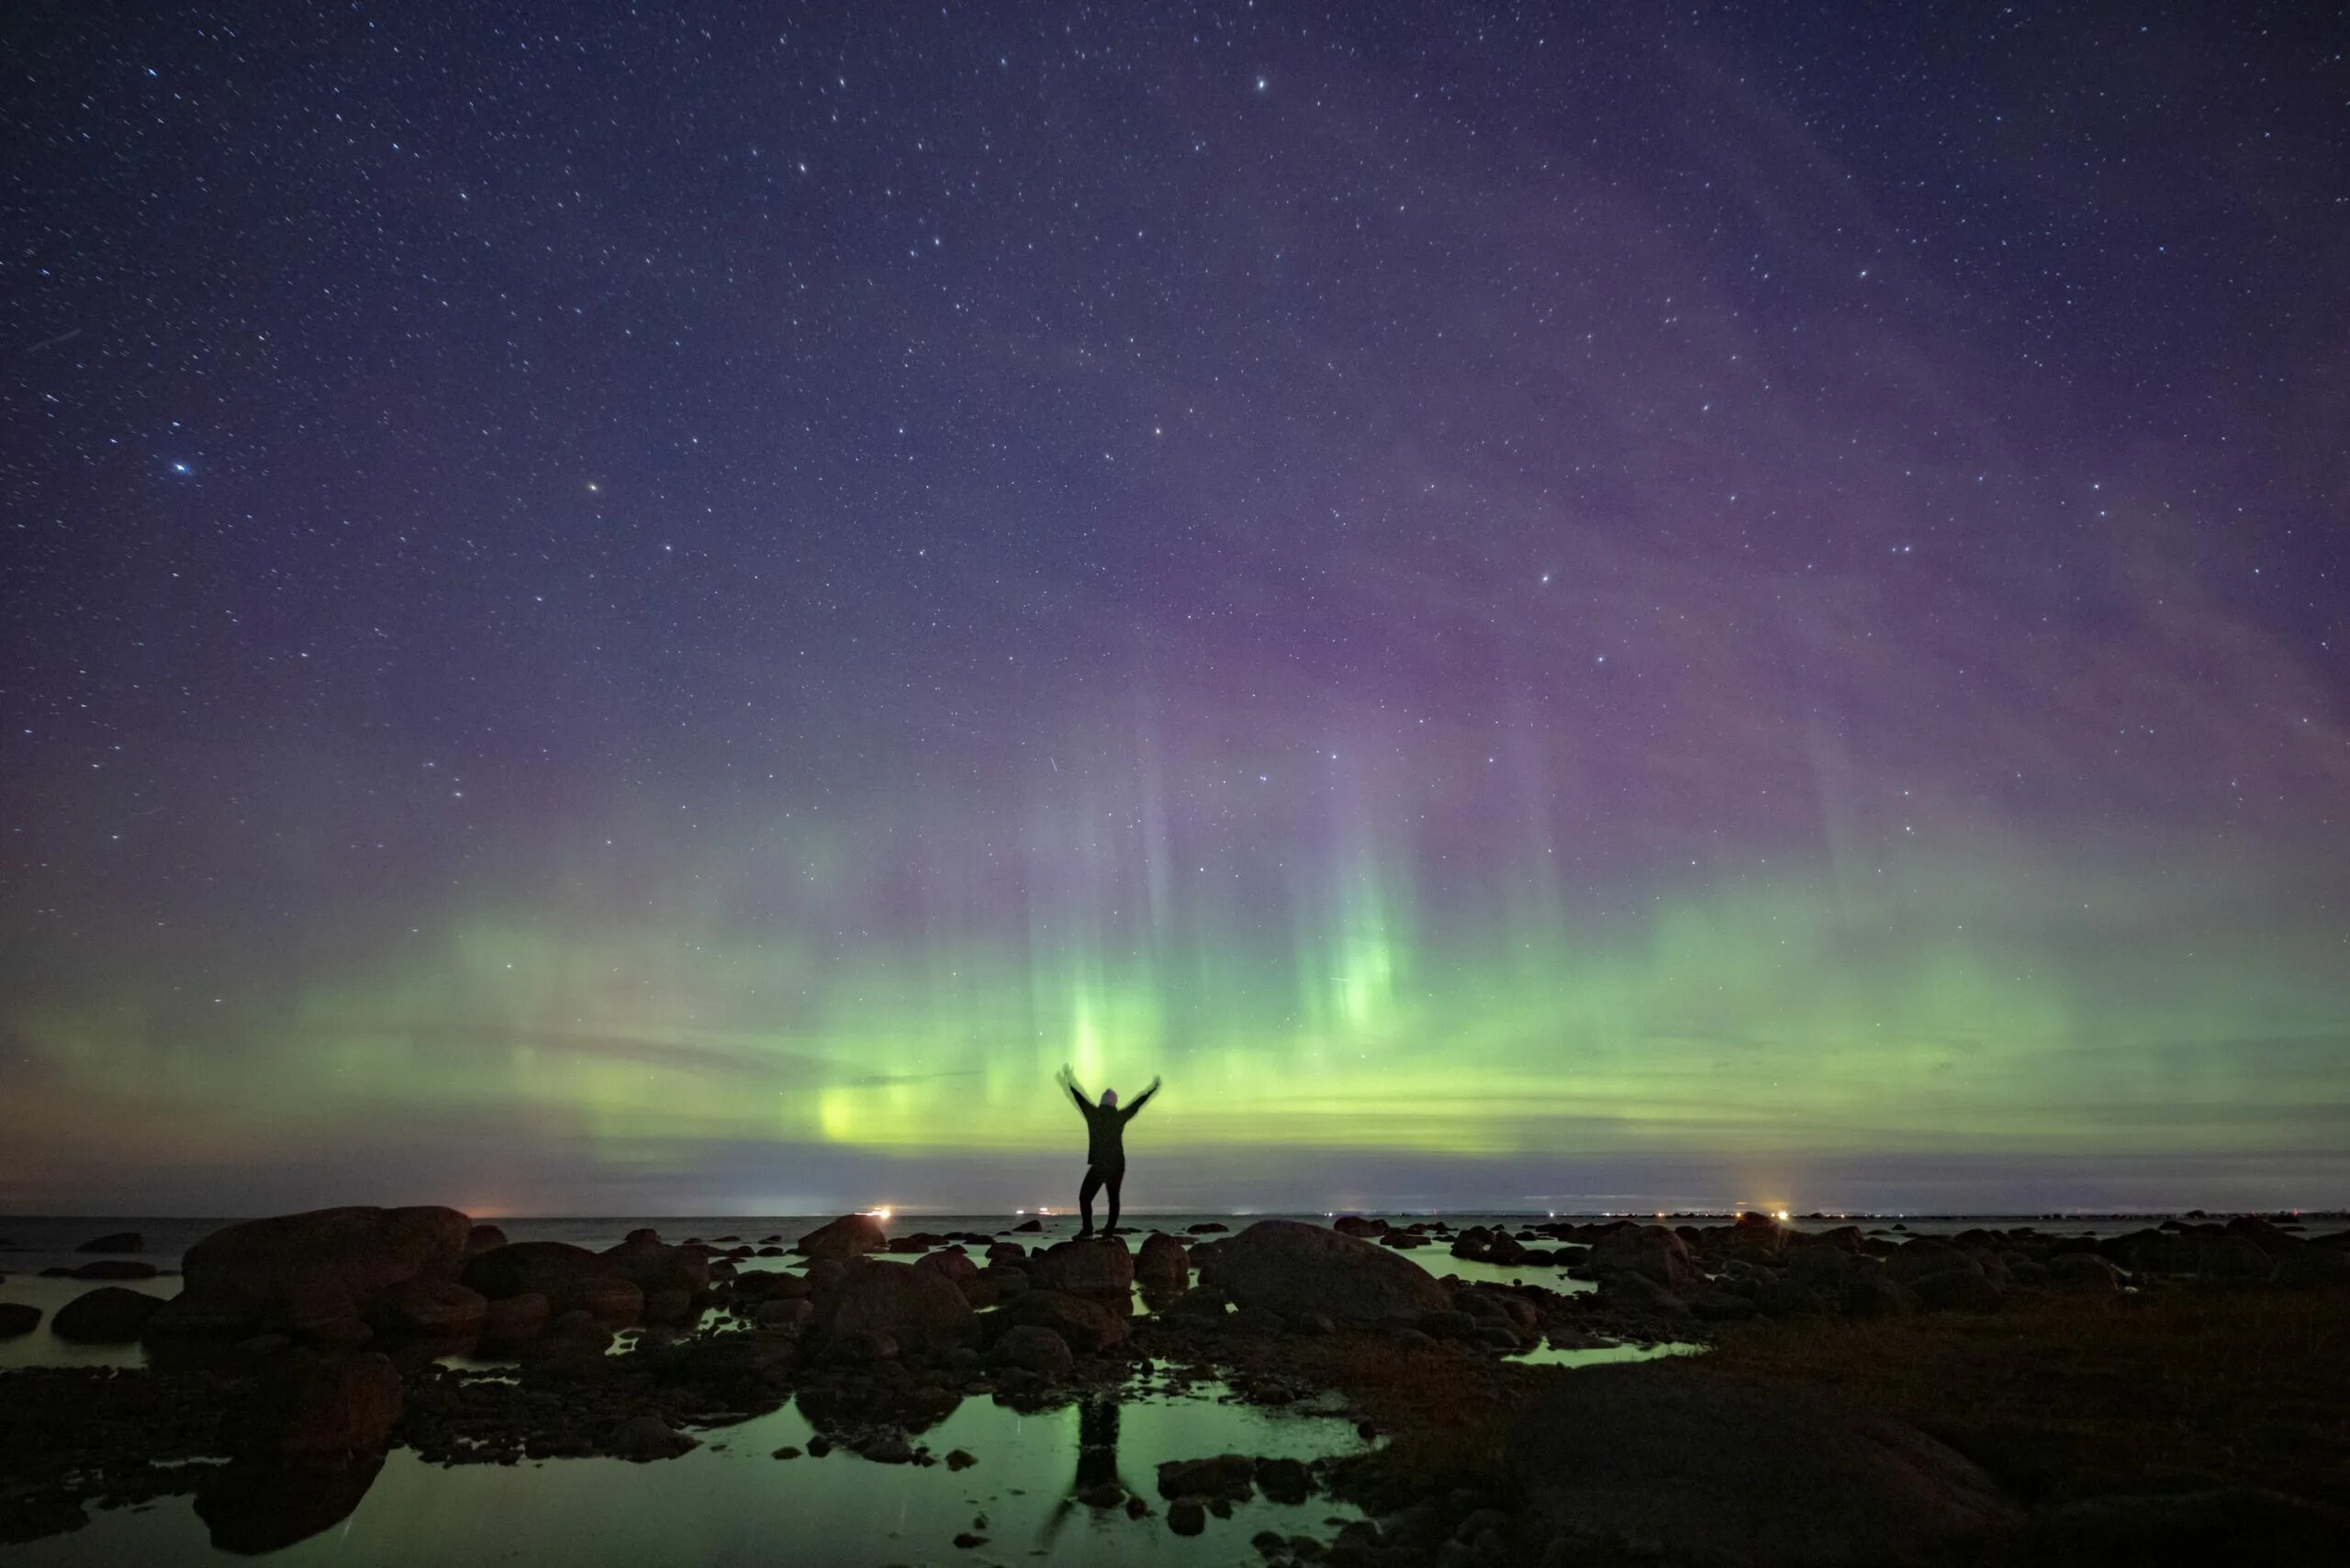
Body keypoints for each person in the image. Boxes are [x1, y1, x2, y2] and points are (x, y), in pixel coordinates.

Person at [1056, 1064, 1159, 1238]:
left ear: (1102, 1101)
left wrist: (1068, 1081)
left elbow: (1079, 1098)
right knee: (1113, 1199)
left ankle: (1088, 1231)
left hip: (1100, 1164)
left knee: (1085, 1197)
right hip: (1118, 1164)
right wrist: (1152, 1089)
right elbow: (1137, 1104)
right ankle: (1108, 1234)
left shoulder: (1093, 1114)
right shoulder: (1119, 1117)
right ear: (1114, 1103)